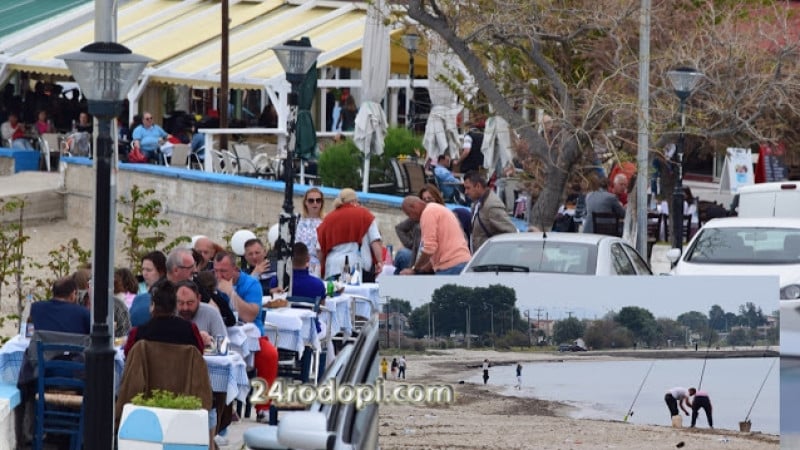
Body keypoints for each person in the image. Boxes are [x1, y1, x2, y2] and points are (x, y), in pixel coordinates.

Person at [123, 279, 204, 357]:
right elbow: (200, 353)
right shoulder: (190, 329)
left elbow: (128, 355)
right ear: (175, 305)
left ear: (153, 305)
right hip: (182, 371)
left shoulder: (138, 333)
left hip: (149, 371)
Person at [317, 188, 384, 281]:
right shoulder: (364, 214)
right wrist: (380, 262)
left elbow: (319, 250)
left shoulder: (328, 219)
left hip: (333, 268)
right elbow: (375, 241)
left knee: (335, 295)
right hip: (357, 268)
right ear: (355, 200)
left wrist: (321, 269)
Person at [399, 196, 471, 275]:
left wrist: (414, 269)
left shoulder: (427, 213)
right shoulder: (437, 209)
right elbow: (441, 244)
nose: (411, 218)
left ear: (414, 207)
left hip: (450, 267)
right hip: (462, 262)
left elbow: (429, 248)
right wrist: (428, 265)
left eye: (409, 214)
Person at [130, 248, 195, 327]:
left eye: (149, 270)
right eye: (189, 268)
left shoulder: (193, 285)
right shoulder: (159, 291)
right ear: (176, 270)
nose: (144, 273)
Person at [463, 171, 517, 253]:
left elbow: (510, 232)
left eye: (468, 188)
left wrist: (493, 250)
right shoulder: (477, 202)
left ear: (478, 186)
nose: (465, 192)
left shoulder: (492, 206)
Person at [214, 251, 263, 334]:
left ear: (235, 268)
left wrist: (230, 293)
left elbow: (249, 317)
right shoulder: (214, 283)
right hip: (225, 332)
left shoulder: (252, 284)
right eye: (216, 270)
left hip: (250, 336)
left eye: (223, 271)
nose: (218, 276)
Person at [175, 280, 227, 348]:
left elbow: (224, 345)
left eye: (190, 303)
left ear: (199, 299)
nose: (185, 308)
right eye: (181, 303)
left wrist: (210, 342)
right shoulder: (169, 313)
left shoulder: (211, 313)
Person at [296, 187, 326, 275]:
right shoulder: (298, 220)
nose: (315, 203)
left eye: (318, 200)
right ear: (305, 202)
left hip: (317, 265)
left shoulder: (325, 221)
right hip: (299, 264)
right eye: (311, 200)